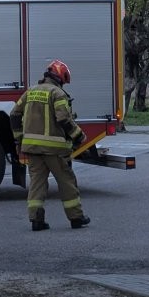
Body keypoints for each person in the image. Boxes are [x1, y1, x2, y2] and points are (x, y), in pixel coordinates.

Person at [10, 59, 91, 231]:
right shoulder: (57, 94)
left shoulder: (30, 91)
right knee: (67, 182)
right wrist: (79, 137)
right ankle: (76, 218)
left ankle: (36, 221)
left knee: (37, 184)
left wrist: (19, 139)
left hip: (31, 149)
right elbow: (64, 119)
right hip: (54, 149)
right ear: (61, 77)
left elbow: (14, 115)